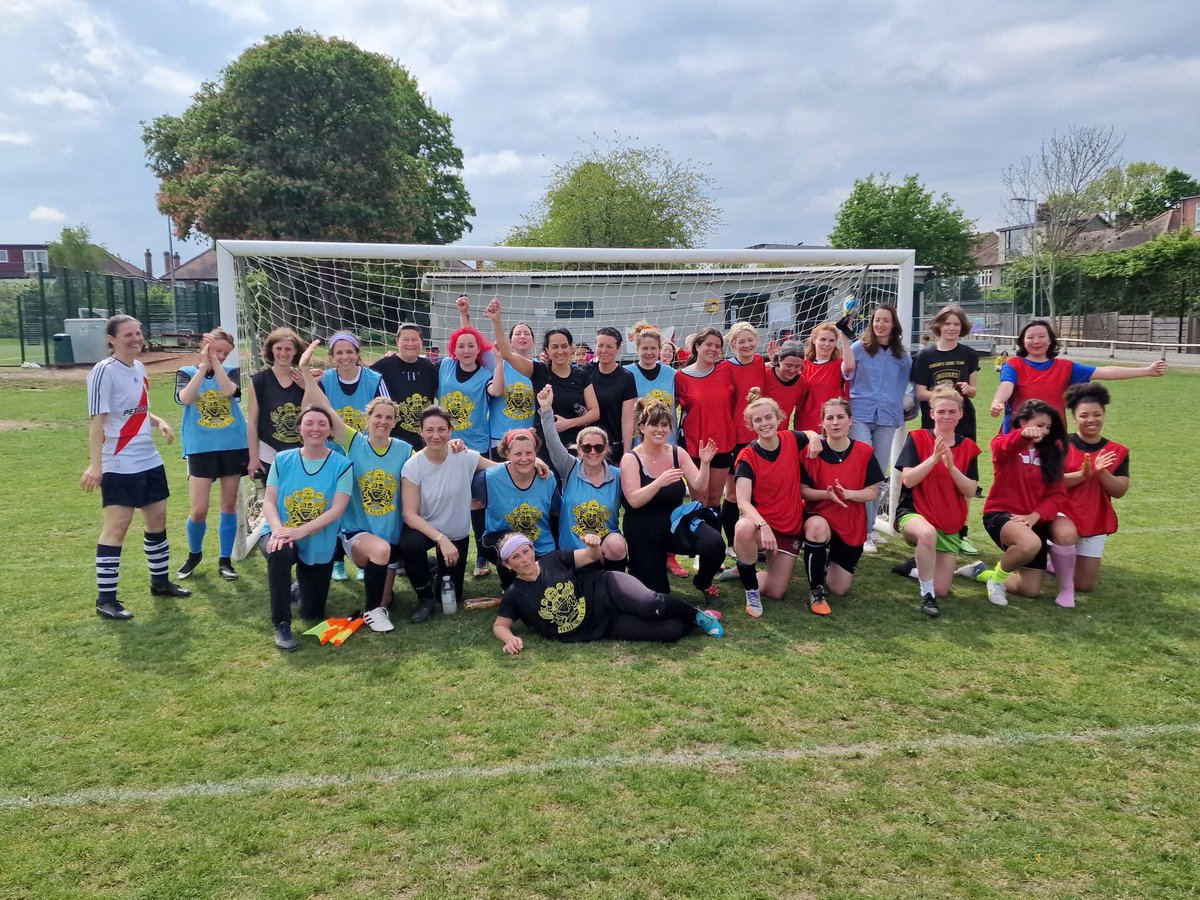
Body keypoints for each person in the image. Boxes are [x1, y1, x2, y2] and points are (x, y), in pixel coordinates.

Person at [82, 314, 191, 619]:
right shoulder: (103, 372)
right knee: (117, 526)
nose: (136, 338)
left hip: (148, 457)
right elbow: (97, 422)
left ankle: (159, 583)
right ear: (111, 340)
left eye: (138, 333)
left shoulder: (139, 367)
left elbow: (136, 409)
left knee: (157, 519)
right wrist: (95, 465)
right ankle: (106, 600)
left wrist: (158, 422)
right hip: (119, 461)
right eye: (128, 334)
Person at [301, 341, 414, 633]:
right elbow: (323, 406)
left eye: (389, 417)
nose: (383, 421)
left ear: (395, 422)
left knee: (387, 598)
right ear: (368, 419)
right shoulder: (352, 441)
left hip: (391, 538)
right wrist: (303, 369)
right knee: (378, 560)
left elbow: (432, 465)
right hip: (358, 535)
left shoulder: (404, 450)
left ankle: (376, 606)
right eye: (378, 416)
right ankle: (371, 612)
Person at [491, 533, 724, 653]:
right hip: (605, 625)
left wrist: (593, 545)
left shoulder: (554, 560)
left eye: (525, 551)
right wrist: (509, 638)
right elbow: (500, 625)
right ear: (508, 566)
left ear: (532, 549)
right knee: (669, 631)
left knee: (649, 604)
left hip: (608, 588)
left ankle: (696, 616)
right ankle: (690, 619)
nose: (524, 559)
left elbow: (592, 557)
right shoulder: (514, 593)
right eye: (515, 557)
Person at [400, 406, 507, 623]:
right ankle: (424, 599)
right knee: (411, 545)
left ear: (450, 431)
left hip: (456, 532)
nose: (436, 435)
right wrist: (440, 539)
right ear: (420, 432)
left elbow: (500, 469)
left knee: (450, 595)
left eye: (441, 429)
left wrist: (532, 462)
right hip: (426, 530)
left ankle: (432, 568)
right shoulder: (413, 466)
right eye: (429, 430)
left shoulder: (464, 456)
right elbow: (410, 516)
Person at [261, 405, 353, 650]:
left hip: (317, 538)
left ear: (330, 430)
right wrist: (280, 530)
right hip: (280, 531)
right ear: (300, 428)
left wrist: (300, 531)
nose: (315, 428)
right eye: (309, 423)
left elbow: (337, 510)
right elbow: (269, 502)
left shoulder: (342, 465)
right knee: (279, 553)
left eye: (322, 424)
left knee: (312, 613)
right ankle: (281, 624)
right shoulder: (282, 460)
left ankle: (297, 588)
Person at [730, 389, 823, 618]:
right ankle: (750, 589)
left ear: (779, 418)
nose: (764, 423)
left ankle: (743, 571)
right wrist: (763, 524)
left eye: (768, 417)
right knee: (743, 528)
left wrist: (814, 438)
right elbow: (742, 502)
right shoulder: (747, 456)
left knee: (775, 591)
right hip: (762, 527)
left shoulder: (791, 439)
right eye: (758, 420)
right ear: (751, 425)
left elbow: (810, 432)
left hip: (789, 527)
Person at [620, 398, 722, 602]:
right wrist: (659, 482)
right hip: (643, 527)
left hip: (676, 523)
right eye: (654, 424)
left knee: (715, 543)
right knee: (657, 593)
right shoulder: (631, 458)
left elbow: (700, 486)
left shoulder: (677, 452)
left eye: (665, 425)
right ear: (642, 427)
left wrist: (704, 464)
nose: (660, 430)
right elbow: (633, 501)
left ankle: (703, 581)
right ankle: (647, 566)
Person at [893, 386, 981, 618]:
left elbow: (971, 490)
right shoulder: (918, 438)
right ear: (931, 413)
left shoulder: (968, 447)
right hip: (915, 512)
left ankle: (916, 568)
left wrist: (952, 468)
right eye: (941, 411)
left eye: (952, 412)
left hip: (950, 519)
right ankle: (926, 595)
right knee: (927, 535)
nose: (946, 417)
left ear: (961, 414)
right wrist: (933, 459)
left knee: (943, 589)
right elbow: (908, 480)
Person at [980, 399, 1078, 608]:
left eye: (1048, 427)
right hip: (1001, 515)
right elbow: (1003, 449)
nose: (1044, 431)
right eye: (1039, 425)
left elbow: (1057, 495)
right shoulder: (1004, 443)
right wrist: (1022, 436)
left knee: (1030, 590)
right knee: (1030, 544)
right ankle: (995, 580)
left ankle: (982, 572)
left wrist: (1035, 516)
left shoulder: (1052, 454)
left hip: (1033, 520)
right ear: (1023, 421)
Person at [989, 319, 1167, 432]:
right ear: (1022, 341)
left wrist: (1146, 370)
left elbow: (1103, 372)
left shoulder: (1065, 367)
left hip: (1052, 435)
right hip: (1017, 433)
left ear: (1050, 340)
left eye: (1042, 336)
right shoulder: (1014, 364)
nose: (1036, 341)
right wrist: (997, 402)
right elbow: (1006, 386)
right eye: (1030, 337)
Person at [174, 328, 250, 582]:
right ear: (204, 347)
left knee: (228, 505)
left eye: (226, 353)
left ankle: (225, 560)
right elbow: (185, 398)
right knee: (199, 510)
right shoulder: (186, 373)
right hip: (201, 449)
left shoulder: (231, 373)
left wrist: (215, 363)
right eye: (218, 350)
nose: (222, 356)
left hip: (232, 446)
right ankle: (194, 555)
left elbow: (229, 392)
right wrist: (203, 365)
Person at [909, 303, 981, 555]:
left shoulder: (969, 354)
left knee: (962, 475)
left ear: (962, 328)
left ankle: (961, 532)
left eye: (956, 324)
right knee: (932, 473)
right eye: (947, 323)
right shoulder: (925, 356)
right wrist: (943, 396)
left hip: (963, 420)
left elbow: (973, 389)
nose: (951, 328)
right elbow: (919, 393)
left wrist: (965, 390)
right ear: (938, 325)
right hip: (935, 422)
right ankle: (928, 526)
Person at [799, 398, 884, 607]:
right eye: (830, 418)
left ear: (850, 421)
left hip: (850, 522)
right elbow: (803, 491)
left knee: (839, 588)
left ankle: (826, 564)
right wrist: (826, 495)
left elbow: (873, 492)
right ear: (822, 423)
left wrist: (849, 494)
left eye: (840, 417)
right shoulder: (811, 452)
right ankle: (816, 591)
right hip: (820, 516)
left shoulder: (864, 452)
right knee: (816, 528)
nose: (835, 422)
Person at [485, 298, 599, 453]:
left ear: (571, 349)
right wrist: (496, 321)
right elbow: (507, 354)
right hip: (543, 444)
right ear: (547, 350)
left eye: (564, 346)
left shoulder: (581, 375)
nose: (560, 351)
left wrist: (569, 423)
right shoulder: (538, 370)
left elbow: (594, 412)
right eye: (555, 347)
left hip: (573, 443)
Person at [319, 330, 388, 581]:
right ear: (331, 356)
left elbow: (384, 411)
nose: (345, 356)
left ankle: (361, 560)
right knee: (332, 507)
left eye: (349, 352)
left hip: (363, 454)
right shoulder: (324, 380)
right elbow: (315, 411)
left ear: (358, 354)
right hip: (332, 454)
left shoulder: (374, 379)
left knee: (361, 506)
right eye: (339, 352)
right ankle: (336, 560)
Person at [538, 384, 627, 567]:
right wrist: (546, 409)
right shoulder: (569, 468)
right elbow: (553, 443)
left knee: (617, 545)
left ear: (606, 449)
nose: (592, 452)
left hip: (604, 549)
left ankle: (613, 575)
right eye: (586, 447)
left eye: (598, 447)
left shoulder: (618, 475)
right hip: (573, 551)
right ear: (579, 449)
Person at [848, 304, 911, 552]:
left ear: (893, 324)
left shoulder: (902, 356)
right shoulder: (859, 349)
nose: (881, 325)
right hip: (861, 415)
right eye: (877, 320)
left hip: (887, 417)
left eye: (886, 321)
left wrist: (906, 404)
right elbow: (846, 375)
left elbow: (907, 385)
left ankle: (870, 527)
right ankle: (862, 532)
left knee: (877, 474)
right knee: (863, 469)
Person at [625, 322, 685, 576]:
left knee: (670, 497)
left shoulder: (672, 374)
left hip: (667, 446)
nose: (649, 352)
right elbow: (627, 415)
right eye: (645, 348)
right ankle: (639, 550)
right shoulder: (627, 373)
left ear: (661, 349)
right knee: (639, 501)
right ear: (637, 348)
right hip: (640, 449)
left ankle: (670, 554)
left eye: (654, 348)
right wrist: (628, 447)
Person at [437, 315, 496, 576]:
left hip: (477, 445)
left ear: (478, 349)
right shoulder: (444, 366)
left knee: (477, 502)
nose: (466, 350)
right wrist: (463, 312)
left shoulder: (486, 374)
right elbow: (464, 332)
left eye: (471, 345)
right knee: (447, 499)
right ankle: (446, 551)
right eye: (461, 345)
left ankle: (482, 557)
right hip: (445, 443)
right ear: (454, 349)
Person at [1062, 383, 1130, 593]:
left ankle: (1055, 563)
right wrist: (1087, 472)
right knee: (1066, 536)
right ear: (1074, 418)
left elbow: (1119, 491)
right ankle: (1055, 555)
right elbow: (1050, 483)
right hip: (1061, 514)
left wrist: (1102, 472)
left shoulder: (1118, 450)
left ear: (1104, 415)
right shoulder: (1061, 444)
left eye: (1097, 414)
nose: (1091, 420)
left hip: (1095, 518)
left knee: (1083, 586)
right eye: (1084, 415)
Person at [474, 428, 560, 591]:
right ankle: (509, 586)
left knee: (548, 590)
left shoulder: (547, 478)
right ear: (506, 454)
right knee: (520, 588)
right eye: (517, 454)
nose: (524, 459)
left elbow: (557, 512)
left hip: (540, 545)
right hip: (501, 542)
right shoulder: (488, 478)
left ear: (536, 453)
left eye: (529, 453)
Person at [675, 327, 736, 510]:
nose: (713, 349)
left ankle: (716, 539)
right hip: (695, 445)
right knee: (699, 501)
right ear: (697, 346)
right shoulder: (680, 377)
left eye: (718, 346)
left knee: (715, 500)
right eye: (708, 344)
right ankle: (697, 538)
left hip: (722, 443)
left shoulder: (725, 370)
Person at [722, 322, 769, 547]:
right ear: (733, 345)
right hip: (734, 438)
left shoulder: (762, 364)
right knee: (732, 493)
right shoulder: (726, 368)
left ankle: (755, 539)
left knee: (757, 492)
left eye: (750, 340)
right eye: (741, 341)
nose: (746, 345)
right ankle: (732, 543)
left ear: (757, 341)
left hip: (759, 438)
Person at [246, 327, 305, 482]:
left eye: (288, 349)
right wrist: (253, 457)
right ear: (271, 350)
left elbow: (319, 410)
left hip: (302, 451)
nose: (283, 353)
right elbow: (252, 422)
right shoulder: (259, 381)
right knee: (273, 502)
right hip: (269, 451)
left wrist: (308, 386)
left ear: (295, 351)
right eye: (279, 348)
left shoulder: (304, 379)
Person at [371, 323, 440, 449]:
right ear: (397, 342)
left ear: (421, 342)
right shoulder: (381, 368)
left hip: (424, 442)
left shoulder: (429, 368)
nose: (410, 344)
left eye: (414, 339)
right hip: (393, 442)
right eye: (405, 339)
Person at [583, 326, 637, 461]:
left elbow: (627, 419)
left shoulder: (626, 377)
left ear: (618, 349)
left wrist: (626, 453)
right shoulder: (585, 372)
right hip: (588, 446)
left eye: (609, 346)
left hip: (613, 446)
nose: (603, 350)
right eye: (600, 345)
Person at [486, 319, 537, 456]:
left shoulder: (540, 368)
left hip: (529, 439)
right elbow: (495, 392)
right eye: (518, 333)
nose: (522, 336)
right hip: (500, 439)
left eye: (526, 333)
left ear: (533, 341)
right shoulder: (498, 366)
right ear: (509, 342)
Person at [796, 319, 855, 432]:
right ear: (814, 340)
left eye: (831, 340)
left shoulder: (839, 364)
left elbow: (850, 366)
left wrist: (844, 334)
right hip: (806, 425)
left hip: (833, 425)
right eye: (823, 339)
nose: (827, 344)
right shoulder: (802, 365)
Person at [761, 341, 810, 430]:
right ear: (779, 360)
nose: (792, 370)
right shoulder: (764, 374)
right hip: (758, 432)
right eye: (788, 365)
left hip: (780, 434)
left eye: (797, 366)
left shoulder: (802, 383)